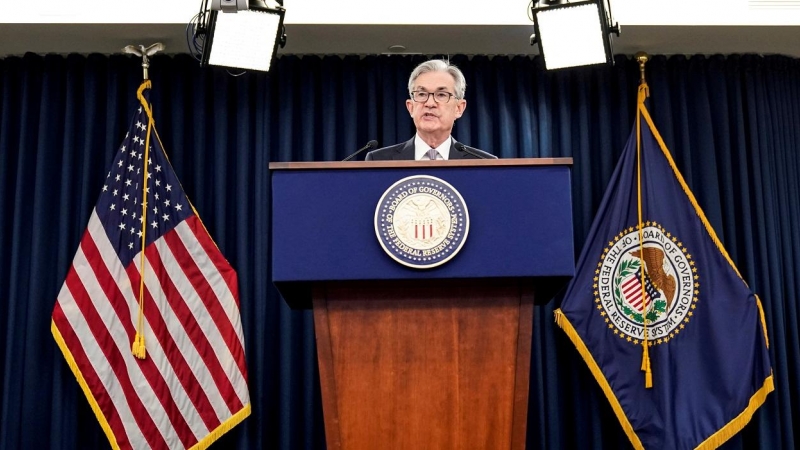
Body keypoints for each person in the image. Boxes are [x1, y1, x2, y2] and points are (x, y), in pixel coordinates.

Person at [365, 59, 496, 161]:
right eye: (421, 94)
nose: (430, 103)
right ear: (410, 107)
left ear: (459, 108)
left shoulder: (484, 163)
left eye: (441, 95)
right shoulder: (379, 160)